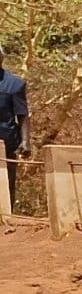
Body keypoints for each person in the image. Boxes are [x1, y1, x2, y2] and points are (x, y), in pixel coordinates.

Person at [0, 45, 26, 216]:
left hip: (7, 141)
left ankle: (7, 217)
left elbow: (23, 114)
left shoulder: (15, 84)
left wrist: (26, 141)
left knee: (7, 181)